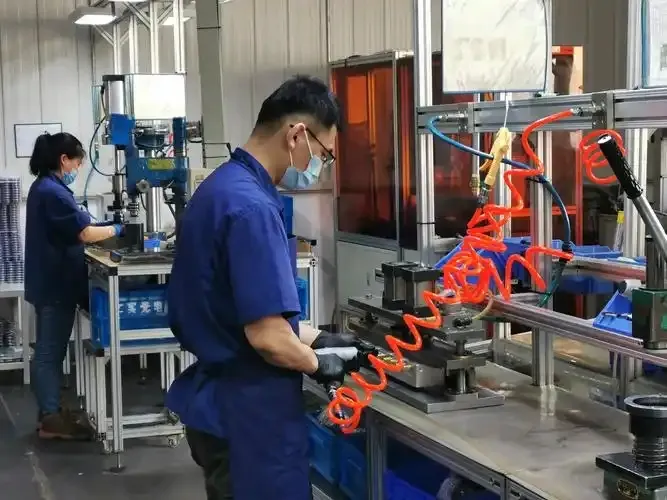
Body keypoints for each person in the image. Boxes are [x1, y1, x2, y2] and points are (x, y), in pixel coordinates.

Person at [166, 75, 358, 500]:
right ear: (296, 135)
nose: (321, 166)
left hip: (221, 403)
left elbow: (247, 311)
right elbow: (268, 338)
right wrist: (317, 364)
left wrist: (320, 338)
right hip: (250, 418)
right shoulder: (251, 208)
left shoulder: (221, 187)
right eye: (324, 155)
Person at [24, 132, 123, 440]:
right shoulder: (52, 192)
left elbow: (78, 225)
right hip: (55, 284)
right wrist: (118, 229)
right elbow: (84, 233)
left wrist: (103, 227)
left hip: (51, 281)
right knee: (49, 352)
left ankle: (49, 412)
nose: (78, 169)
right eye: (78, 163)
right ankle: (50, 419)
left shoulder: (47, 187)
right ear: (64, 159)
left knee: (49, 351)